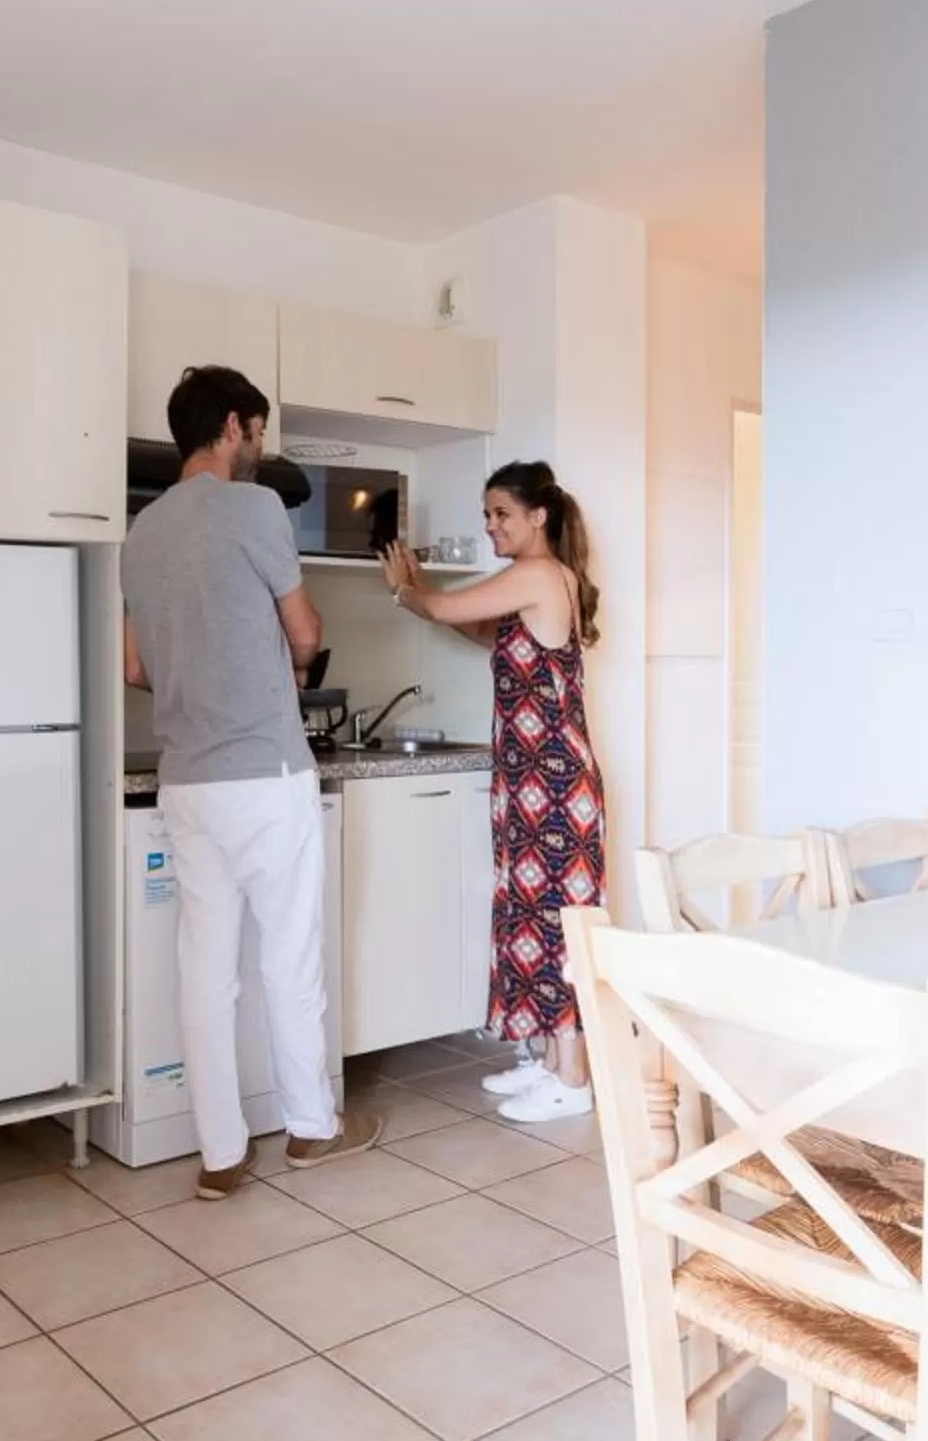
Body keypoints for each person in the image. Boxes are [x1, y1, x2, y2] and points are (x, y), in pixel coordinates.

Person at [121, 366, 382, 1196]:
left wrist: (202, 673)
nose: (260, 449)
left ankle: (221, 1155)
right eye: (260, 432)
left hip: (187, 781)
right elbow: (302, 631)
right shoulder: (257, 508)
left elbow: (134, 666)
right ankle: (310, 1130)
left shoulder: (143, 532)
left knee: (205, 970)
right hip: (266, 773)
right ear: (233, 426)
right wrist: (284, 664)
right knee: (289, 956)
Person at [377, 460, 606, 1123]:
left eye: (501, 513)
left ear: (539, 516)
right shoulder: (532, 585)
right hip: (533, 781)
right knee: (529, 918)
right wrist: (423, 594)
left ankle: (573, 1080)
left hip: (555, 782)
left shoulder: (537, 573)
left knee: (556, 924)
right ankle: (546, 1060)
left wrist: (405, 589)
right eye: (486, 514)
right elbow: (472, 624)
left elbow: (448, 607)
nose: (490, 525)